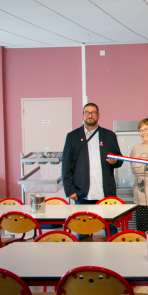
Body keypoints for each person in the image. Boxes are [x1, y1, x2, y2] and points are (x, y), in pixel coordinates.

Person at [61, 102, 123, 239]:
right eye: (87, 112)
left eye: (93, 112)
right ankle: (84, 259)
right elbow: (65, 165)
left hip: (106, 193)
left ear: (98, 115)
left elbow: (120, 160)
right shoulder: (72, 137)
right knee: (83, 232)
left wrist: (116, 161)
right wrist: (69, 190)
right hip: (83, 194)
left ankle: (114, 257)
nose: (90, 115)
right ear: (83, 115)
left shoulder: (109, 135)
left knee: (111, 231)